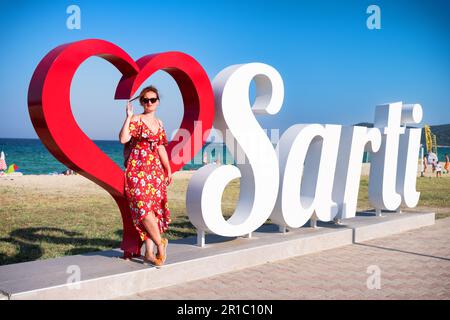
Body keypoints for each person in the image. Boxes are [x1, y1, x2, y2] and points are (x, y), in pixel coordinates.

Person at [119, 85, 172, 267]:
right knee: (143, 208)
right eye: (145, 100)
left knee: (153, 211)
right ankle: (160, 243)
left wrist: (168, 169)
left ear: (158, 102)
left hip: (155, 171)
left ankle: (149, 253)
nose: (149, 103)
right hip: (137, 169)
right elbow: (123, 139)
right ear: (141, 102)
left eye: (152, 99)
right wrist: (128, 118)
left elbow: (161, 147)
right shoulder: (136, 119)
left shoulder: (160, 123)